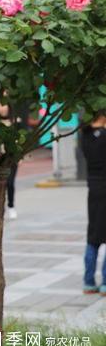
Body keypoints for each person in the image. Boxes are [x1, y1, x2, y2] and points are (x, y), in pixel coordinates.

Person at [80, 111, 106, 295]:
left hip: (93, 188)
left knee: (93, 236)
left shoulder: (85, 136)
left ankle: (89, 281)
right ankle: (105, 281)